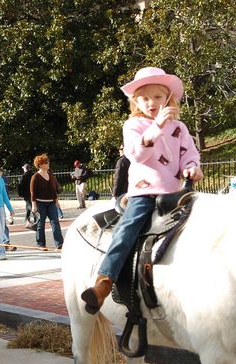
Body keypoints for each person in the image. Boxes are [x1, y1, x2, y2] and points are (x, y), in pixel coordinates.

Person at [81, 67, 203, 315]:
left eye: (158, 97)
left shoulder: (179, 127)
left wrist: (192, 167)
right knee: (126, 232)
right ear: (136, 101)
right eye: (145, 98)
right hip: (144, 193)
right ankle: (103, 283)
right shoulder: (133, 125)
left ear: (169, 99)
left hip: (175, 193)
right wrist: (157, 126)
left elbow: (188, 154)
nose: (152, 103)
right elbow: (136, 154)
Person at [30, 153, 64, 250]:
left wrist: (56, 201)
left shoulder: (50, 174)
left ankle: (59, 244)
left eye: (48, 162)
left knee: (55, 222)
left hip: (51, 202)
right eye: (46, 162)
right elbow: (33, 192)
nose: (48, 163)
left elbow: (53, 189)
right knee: (41, 223)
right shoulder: (35, 177)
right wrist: (34, 204)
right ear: (40, 165)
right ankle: (41, 244)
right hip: (40, 203)